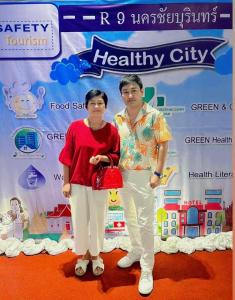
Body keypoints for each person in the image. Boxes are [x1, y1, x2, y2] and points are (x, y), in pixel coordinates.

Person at [113, 74, 172, 295]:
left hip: (146, 174)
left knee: (146, 222)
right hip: (123, 175)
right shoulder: (118, 117)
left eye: (133, 90)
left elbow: (164, 145)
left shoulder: (155, 115)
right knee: (129, 216)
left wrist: (157, 172)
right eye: (125, 92)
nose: (130, 95)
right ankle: (135, 250)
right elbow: (115, 145)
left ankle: (147, 269)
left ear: (141, 91)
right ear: (122, 95)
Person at [59, 89, 120, 277]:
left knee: (97, 221)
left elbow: (116, 157)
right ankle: (82, 257)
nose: (96, 106)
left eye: (100, 103)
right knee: (80, 222)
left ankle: (96, 256)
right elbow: (67, 157)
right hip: (77, 183)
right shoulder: (75, 127)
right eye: (92, 103)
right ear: (86, 106)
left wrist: (103, 157)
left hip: (99, 185)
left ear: (105, 106)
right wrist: (66, 182)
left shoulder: (111, 130)